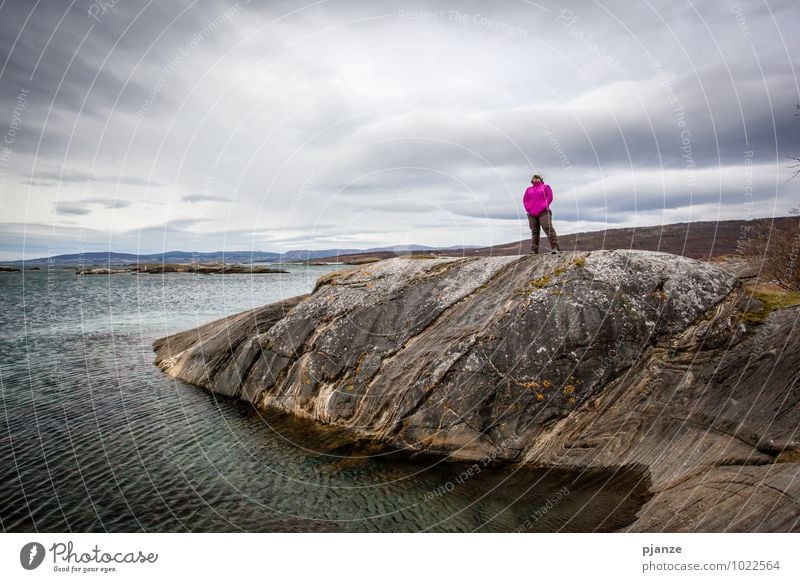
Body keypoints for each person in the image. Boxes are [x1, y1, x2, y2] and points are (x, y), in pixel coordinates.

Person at [523, 174, 561, 254]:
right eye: (534, 178)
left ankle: (555, 247)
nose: (536, 179)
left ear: (541, 179)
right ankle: (534, 250)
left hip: (544, 211)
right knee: (534, 231)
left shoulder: (546, 187)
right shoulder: (528, 189)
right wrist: (528, 208)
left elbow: (550, 197)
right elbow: (525, 200)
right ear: (532, 180)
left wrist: (544, 206)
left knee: (548, 228)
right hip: (532, 213)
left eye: (537, 178)